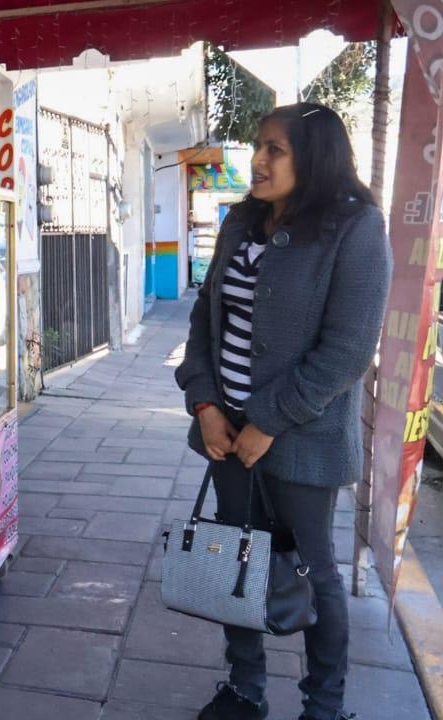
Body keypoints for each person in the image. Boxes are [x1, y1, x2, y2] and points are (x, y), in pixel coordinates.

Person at [175, 102, 391, 720]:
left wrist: (268, 419)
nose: (258, 161)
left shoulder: (355, 227)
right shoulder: (241, 221)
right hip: (224, 437)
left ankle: (324, 706)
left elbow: (349, 349)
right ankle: (245, 690)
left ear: (314, 157)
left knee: (316, 576)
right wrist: (206, 403)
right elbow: (204, 320)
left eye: (275, 149)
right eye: (258, 146)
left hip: (301, 440)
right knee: (236, 560)